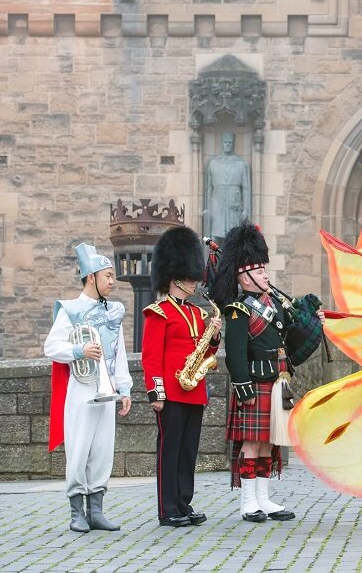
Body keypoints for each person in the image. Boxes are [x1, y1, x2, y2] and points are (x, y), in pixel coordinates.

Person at [210, 221, 325, 523]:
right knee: (251, 442)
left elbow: (292, 333)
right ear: (245, 277)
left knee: (268, 441)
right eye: (259, 271)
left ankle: (263, 497)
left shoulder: (275, 303)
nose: (265, 275)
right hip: (255, 383)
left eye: (264, 270)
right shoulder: (238, 309)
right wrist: (243, 387)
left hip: (277, 382)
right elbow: (235, 355)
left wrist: (310, 315)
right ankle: (248, 501)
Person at [45, 243, 133, 533]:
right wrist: (80, 350)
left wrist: (125, 389)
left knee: (103, 450)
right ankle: (76, 512)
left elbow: (118, 354)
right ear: (91, 276)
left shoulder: (114, 311)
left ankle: (96, 511)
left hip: (107, 391)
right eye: (107, 275)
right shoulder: (69, 310)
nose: (112, 280)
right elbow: (52, 346)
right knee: (79, 449)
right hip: (81, 390)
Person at [141, 225, 221, 527]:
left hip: (194, 388)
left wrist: (214, 336)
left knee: (188, 451)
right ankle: (168, 508)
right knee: (170, 450)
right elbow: (151, 358)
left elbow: (208, 353)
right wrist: (156, 393)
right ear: (175, 278)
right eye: (190, 277)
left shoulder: (197, 313)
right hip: (171, 392)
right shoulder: (158, 312)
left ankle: (184, 503)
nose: (194, 281)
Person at [205, 132, 251, 241]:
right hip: (217, 202)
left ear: (233, 144)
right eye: (225, 142)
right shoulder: (213, 163)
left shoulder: (241, 164)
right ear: (222, 143)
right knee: (215, 236)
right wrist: (208, 207)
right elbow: (209, 188)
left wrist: (246, 209)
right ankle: (213, 258)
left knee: (234, 236)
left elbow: (245, 188)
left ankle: (234, 258)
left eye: (230, 142)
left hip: (233, 203)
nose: (227, 144)